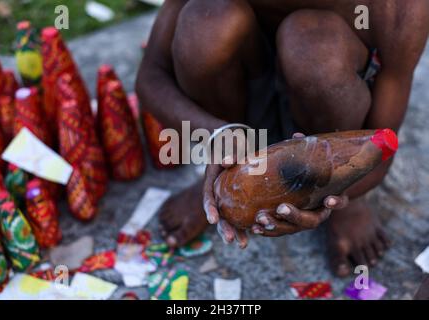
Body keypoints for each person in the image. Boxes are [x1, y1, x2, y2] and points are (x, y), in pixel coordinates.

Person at [136, 0, 429, 277]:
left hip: (330, 118)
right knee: (206, 22)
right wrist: (218, 135)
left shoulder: (398, 8)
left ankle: (344, 195)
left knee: (313, 46)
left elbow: (382, 144)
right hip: (242, 102)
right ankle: (230, 174)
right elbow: (151, 75)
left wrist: (332, 198)